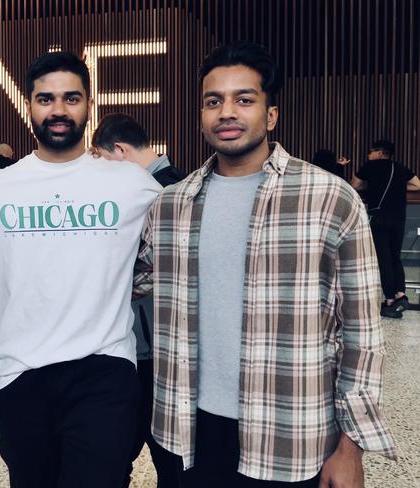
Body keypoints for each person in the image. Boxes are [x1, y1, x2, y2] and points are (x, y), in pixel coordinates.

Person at [134, 41, 396, 487]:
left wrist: (350, 446)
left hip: (289, 437)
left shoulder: (330, 199)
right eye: (213, 101)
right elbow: (134, 283)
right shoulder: (170, 205)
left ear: (270, 116)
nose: (226, 112)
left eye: (244, 100)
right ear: (201, 115)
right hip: (189, 431)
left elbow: (361, 334)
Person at [0, 52, 162, 488]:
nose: (59, 110)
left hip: (104, 371)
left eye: (71, 98)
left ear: (89, 104)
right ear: (28, 105)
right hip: (19, 376)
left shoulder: (130, 183)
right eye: (46, 99)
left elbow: (179, 242)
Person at [91, 112, 184, 488]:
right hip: (153, 344)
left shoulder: (162, 194)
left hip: (150, 349)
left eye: (99, 158)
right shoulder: (178, 183)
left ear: (119, 150)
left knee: (152, 453)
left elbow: (150, 275)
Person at [350, 139, 420, 318]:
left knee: (384, 258)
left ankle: (389, 300)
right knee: (395, 255)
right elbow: (417, 185)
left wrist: (372, 186)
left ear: (380, 152)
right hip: (399, 217)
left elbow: (354, 186)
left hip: (379, 217)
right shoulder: (400, 167)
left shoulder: (370, 167)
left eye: (371, 151)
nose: (369, 154)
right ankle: (400, 294)